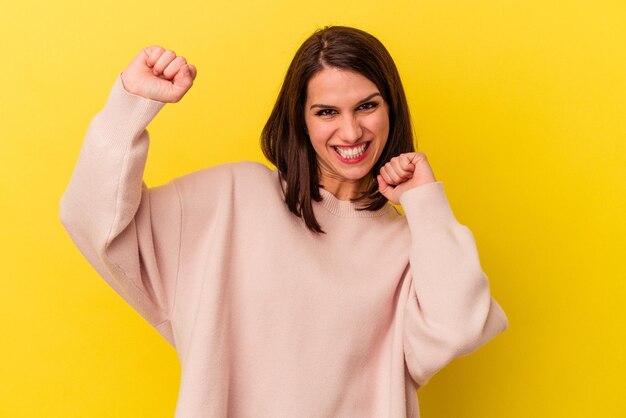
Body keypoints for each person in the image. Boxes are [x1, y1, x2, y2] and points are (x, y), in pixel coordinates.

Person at [60, 26, 508, 418]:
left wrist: (425, 203)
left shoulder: (411, 245)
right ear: (301, 119)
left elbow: (459, 327)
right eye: (327, 112)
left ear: (392, 108)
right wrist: (129, 106)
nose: (351, 133)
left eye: (367, 106)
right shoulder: (232, 198)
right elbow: (92, 220)